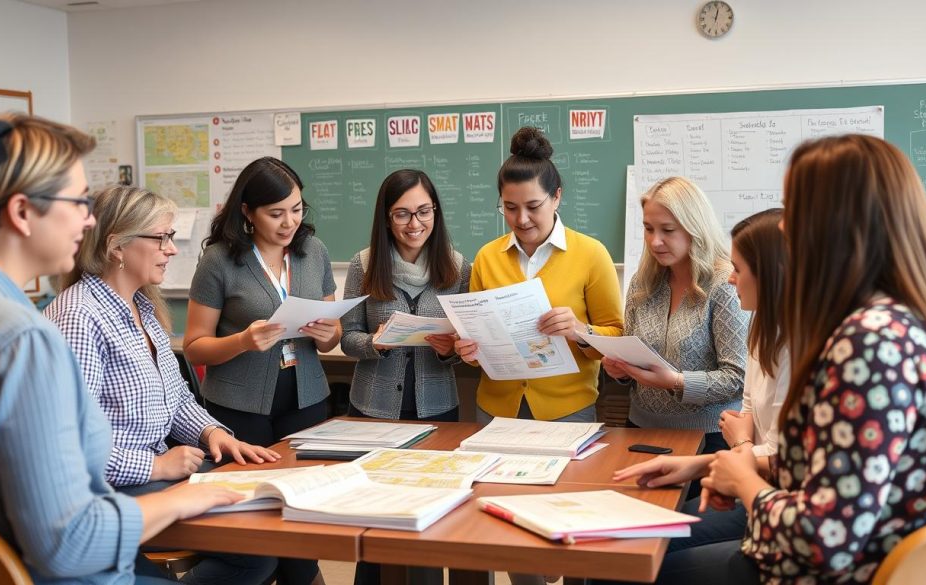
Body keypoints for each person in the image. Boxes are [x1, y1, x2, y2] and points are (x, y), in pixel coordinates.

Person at [600, 134, 926, 584]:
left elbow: (823, 538)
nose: (780, 227)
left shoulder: (870, 345)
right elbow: (836, 470)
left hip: (826, 571)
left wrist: (743, 479)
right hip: (841, 557)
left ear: (833, 225)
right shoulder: (893, 324)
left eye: (792, 210)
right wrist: (713, 465)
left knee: (627, 565)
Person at [0, 111, 243, 585]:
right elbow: (71, 544)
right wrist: (184, 497)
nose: (88, 220)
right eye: (78, 201)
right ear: (22, 213)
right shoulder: (25, 339)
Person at [45, 185, 279, 584]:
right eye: (162, 237)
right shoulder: (78, 318)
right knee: (250, 549)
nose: (171, 249)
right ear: (117, 246)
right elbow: (70, 447)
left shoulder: (143, 307)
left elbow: (177, 399)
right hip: (109, 489)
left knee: (261, 538)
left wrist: (213, 434)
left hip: (156, 476)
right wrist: (155, 464)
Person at [184, 155, 336, 585]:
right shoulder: (219, 261)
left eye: (297, 209)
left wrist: (328, 333)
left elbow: (333, 333)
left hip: (306, 401)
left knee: (304, 523)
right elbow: (195, 344)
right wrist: (243, 341)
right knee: (255, 530)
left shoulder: (313, 252)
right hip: (239, 409)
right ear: (247, 213)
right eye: (276, 213)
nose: (289, 222)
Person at [614, 208, 789, 557]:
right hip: (744, 472)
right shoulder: (763, 330)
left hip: (773, 504)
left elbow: (772, 450)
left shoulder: (803, 348)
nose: (730, 278)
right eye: (648, 229)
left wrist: (735, 448)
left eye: (738, 270)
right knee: (621, 542)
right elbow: (752, 410)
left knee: (634, 553)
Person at [454, 126, 624, 424]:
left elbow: (617, 334)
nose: (521, 219)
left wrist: (579, 330)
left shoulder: (591, 254)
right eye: (509, 207)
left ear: (556, 197)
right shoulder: (486, 257)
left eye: (533, 206)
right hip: (495, 410)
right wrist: (467, 349)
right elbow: (474, 340)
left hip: (567, 410)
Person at [602, 176, 748, 457]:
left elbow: (737, 378)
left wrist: (674, 381)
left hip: (709, 437)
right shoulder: (642, 282)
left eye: (668, 230)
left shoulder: (724, 285)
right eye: (648, 229)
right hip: (640, 429)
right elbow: (633, 357)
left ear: (695, 228)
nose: (655, 242)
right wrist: (620, 371)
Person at [341, 169, 471, 421]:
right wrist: (373, 343)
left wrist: (450, 350)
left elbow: (465, 343)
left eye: (424, 211)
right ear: (387, 219)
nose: (415, 224)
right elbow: (347, 338)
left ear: (435, 211)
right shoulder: (363, 264)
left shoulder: (459, 268)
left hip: (438, 407)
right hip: (372, 407)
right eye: (402, 214)